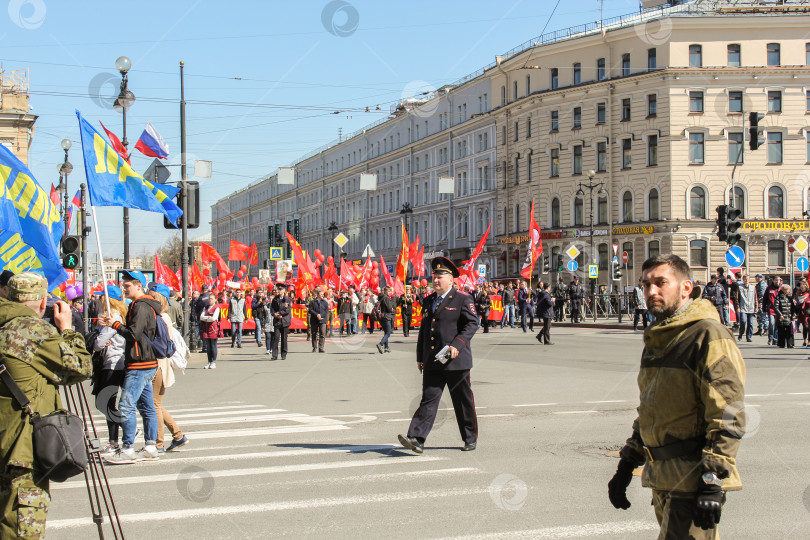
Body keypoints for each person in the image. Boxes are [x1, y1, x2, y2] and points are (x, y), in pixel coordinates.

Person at [608, 255, 745, 538]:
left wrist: (712, 479)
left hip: (693, 479)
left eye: (660, 283)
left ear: (686, 288)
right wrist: (627, 463)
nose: (651, 292)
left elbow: (728, 412)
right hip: (663, 477)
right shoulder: (660, 336)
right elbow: (651, 408)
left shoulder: (707, 335)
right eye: (646, 285)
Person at [0, 272, 92, 539]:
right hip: (23, 448)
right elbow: (81, 367)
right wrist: (67, 330)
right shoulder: (31, 330)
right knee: (21, 530)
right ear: (43, 303)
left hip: (5, 440)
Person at [398, 257, 479, 454]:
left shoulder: (462, 298)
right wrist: (420, 357)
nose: (435, 280)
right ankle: (416, 438)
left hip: (456, 361)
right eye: (434, 276)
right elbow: (424, 331)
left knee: (462, 401)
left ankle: (470, 437)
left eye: (439, 276)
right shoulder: (429, 301)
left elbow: (471, 324)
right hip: (434, 361)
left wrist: (457, 344)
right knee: (428, 400)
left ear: (451, 279)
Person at [97, 270, 162, 464]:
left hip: (139, 362)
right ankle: (150, 446)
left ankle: (127, 448)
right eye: (124, 285)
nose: (124, 288)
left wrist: (116, 325)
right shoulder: (143, 305)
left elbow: (133, 334)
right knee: (146, 406)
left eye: (127, 285)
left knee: (126, 405)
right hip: (145, 361)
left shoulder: (140, 306)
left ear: (139, 286)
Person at [146, 287, 189, 453]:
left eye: (150, 296)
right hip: (160, 362)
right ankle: (178, 435)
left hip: (159, 363)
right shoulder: (163, 316)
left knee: (154, 404)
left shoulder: (162, 316)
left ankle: (159, 443)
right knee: (155, 404)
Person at [91, 285, 128, 456]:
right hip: (116, 361)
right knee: (107, 403)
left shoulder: (112, 316)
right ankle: (114, 440)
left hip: (113, 362)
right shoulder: (117, 314)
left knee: (104, 402)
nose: (98, 300)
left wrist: (97, 337)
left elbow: (99, 343)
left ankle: (126, 428)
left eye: (100, 297)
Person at [199, 292, 220, 369]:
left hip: (213, 329)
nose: (210, 300)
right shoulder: (206, 307)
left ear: (215, 299)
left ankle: (213, 362)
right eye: (209, 299)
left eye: (211, 299)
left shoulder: (216, 308)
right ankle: (209, 361)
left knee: (213, 345)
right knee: (208, 346)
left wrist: (207, 318)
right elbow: (201, 317)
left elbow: (214, 318)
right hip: (206, 328)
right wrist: (208, 318)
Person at [270, 283, 291, 360]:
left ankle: (283, 353)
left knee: (284, 339)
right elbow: (272, 308)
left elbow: (287, 310)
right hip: (277, 321)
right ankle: (274, 355)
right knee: (276, 338)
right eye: (278, 289)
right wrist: (274, 314)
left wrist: (280, 314)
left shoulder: (288, 299)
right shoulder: (275, 299)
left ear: (284, 290)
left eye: (281, 289)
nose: (279, 291)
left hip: (285, 321)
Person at [737, 274, 758, 343]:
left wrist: (756, 307)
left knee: (750, 323)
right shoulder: (740, 287)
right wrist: (738, 307)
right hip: (743, 307)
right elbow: (737, 298)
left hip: (751, 307)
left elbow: (755, 298)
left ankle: (749, 336)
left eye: (748, 279)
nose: (746, 280)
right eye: (745, 279)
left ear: (749, 280)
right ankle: (741, 333)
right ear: (743, 280)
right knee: (743, 321)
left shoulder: (753, 287)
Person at [773, 284, 795, 348]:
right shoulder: (778, 297)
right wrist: (780, 315)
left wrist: (794, 315)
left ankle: (790, 344)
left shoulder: (790, 298)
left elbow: (793, 307)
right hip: (782, 317)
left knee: (790, 331)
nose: (789, 291)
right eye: (788, 290)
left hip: (789, 316)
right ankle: (781, 344)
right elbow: (776, 307)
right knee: (781, 331)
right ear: (784, 290)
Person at [308, 287, 329, 353]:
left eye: (323, 294)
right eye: (321, 294)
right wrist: (317, 314)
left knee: (322, 334)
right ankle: (314, 347)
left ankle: (321, 348)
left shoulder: (325, 302)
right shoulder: (312, 302)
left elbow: (326, 310)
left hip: (322, 320)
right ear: (317, 294)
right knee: (314, 334)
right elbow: (310, 310)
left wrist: (321, 315)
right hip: (314, 320)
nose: (323, 295)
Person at [376, 285, 395, 353]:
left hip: (381, 317)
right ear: (386, 291)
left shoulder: (380, 297)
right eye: (389, 291)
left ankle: (386, 347)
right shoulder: (386, 298)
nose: (390, 292)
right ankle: (380, 344)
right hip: (386, 316)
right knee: (388, 333)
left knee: (385, 332)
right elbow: (389, 308)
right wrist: (392, 309)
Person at [764, 276, 782, 346]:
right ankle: (770, 337)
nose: (777, 281)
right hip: (771, 309)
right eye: (776, 280)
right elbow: (765, 299)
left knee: (777, 325)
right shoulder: (769, 288)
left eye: (778, 280)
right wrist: (764, 309)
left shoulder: (781, 288)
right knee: (771, 323)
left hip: (778, 310)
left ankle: (775, 339)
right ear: (773, 280)